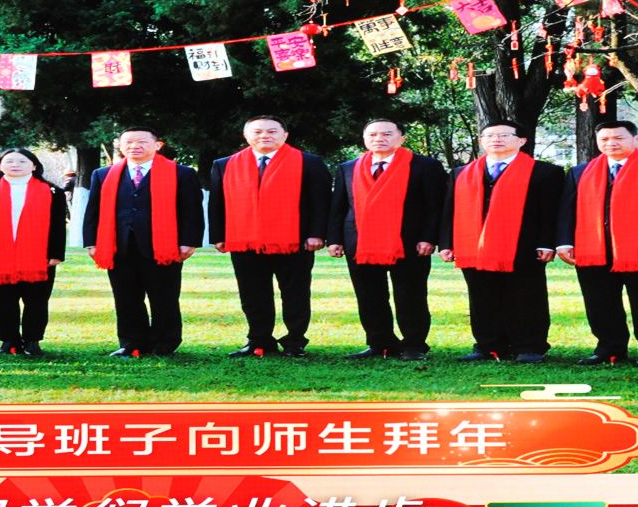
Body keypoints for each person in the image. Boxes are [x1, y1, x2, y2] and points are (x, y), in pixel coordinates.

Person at [556, 120, 638, 367]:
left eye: (618, 138)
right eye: (604, 139)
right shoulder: (580, 172)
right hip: (593, 249)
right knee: (599, 302)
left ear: (636, 139)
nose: (611, 143)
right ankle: (609, 348)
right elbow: (567, 210)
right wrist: (564, 242)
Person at [207, 116, 332, 358]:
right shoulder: (225, 164)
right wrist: (219, 235)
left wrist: (317, 234)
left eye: (272, 131)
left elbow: (321, 201)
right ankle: (259, 340)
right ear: (246, 136)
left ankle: (295, 341)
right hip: (245, 241)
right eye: (258, 131)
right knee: (252, 294)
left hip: (295, 241)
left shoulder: (309, 162)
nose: (265, 135)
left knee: (295, 293)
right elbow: (217, 203)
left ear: (285, 135)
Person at [442, 120, 565, 363]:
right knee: (481, 297)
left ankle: (529, 346)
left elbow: (551, 211)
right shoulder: (461, 173)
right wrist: (447, 242)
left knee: (526, 296)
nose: (496, 139)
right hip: (473, 245)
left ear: (522, 140)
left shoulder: (544, 172)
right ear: (481, 141)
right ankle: (488, 345)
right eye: (489, 136)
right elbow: (449, 210)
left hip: (524, 245)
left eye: (504, 135)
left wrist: (546, 242)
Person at [324, 119, 447, 361]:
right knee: (368, 295)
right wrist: (335, 239)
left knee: (410, 295)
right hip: (360, 242)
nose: (379, 138)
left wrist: (428, 237)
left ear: (401, 138)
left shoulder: (425, 166)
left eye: (387, 134)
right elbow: (339, 207)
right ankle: (379, 343)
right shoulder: (348, 167)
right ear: (364, 138)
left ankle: (414, 345)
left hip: (409, 242)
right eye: (372, 134)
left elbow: (435, 206)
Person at [81, 128, 204, 358]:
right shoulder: (103, 174)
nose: (134, 146)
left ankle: (164, 342)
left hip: (164, 246)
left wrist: (189, 241)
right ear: (120, 145)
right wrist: (91, 242)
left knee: (164, 297)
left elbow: (192, 211)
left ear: (158, 145)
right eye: (128, 142)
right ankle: (131, 342)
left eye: (142, 142)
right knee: (125, 297)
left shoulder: (182, 173)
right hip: (119, 245)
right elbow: (93, 212)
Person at [0, 146, 69, 356]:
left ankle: (32, 341)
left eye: (22, 161)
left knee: (37, 301)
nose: (15, 165)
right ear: (0, 166)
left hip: (39, 257)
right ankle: (9, 342)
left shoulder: (52, 192)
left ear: (34, 166)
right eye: (9, 161)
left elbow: (58, 225)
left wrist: (56, 253)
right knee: (2, 301)